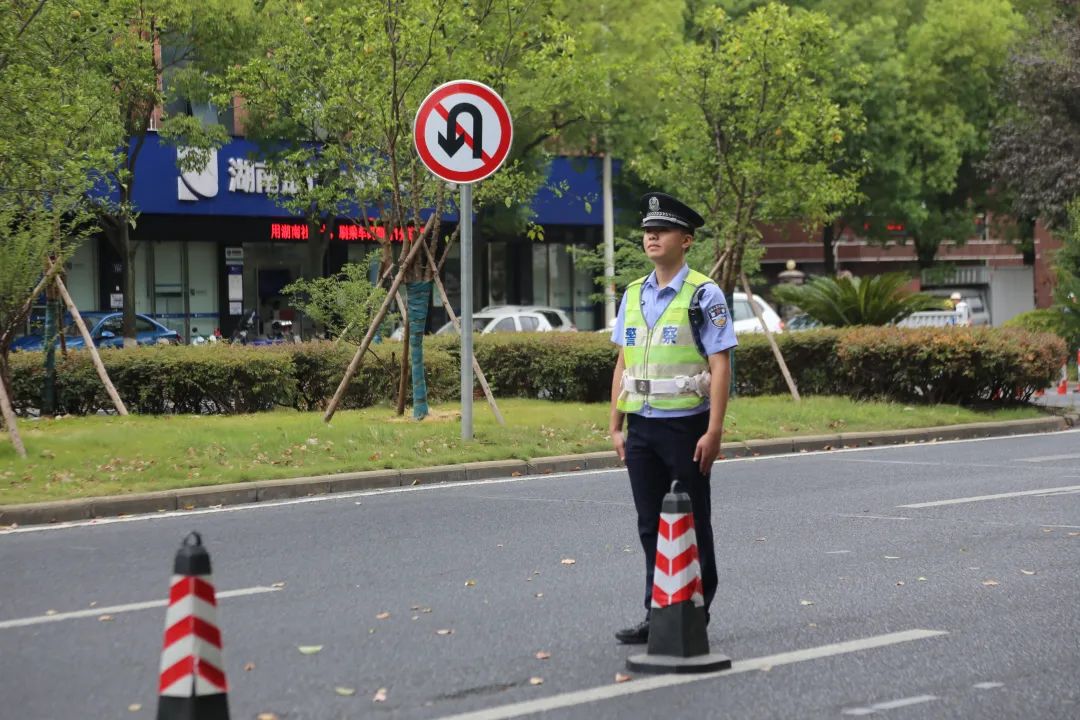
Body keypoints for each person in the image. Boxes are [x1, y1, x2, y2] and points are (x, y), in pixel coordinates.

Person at [609, 192, 738, 644]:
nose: (651, 237)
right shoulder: (631, 294)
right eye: (647, 230)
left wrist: (714, 430)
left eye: (660, 231)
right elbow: (624, 363)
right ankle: (656, 610)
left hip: (686, 425)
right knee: (650, 525)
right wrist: (615, 425)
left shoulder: (704, 294)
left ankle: (697, 607)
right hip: (642, 425)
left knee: (691, 519)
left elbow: (720, 364)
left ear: (686, 240)